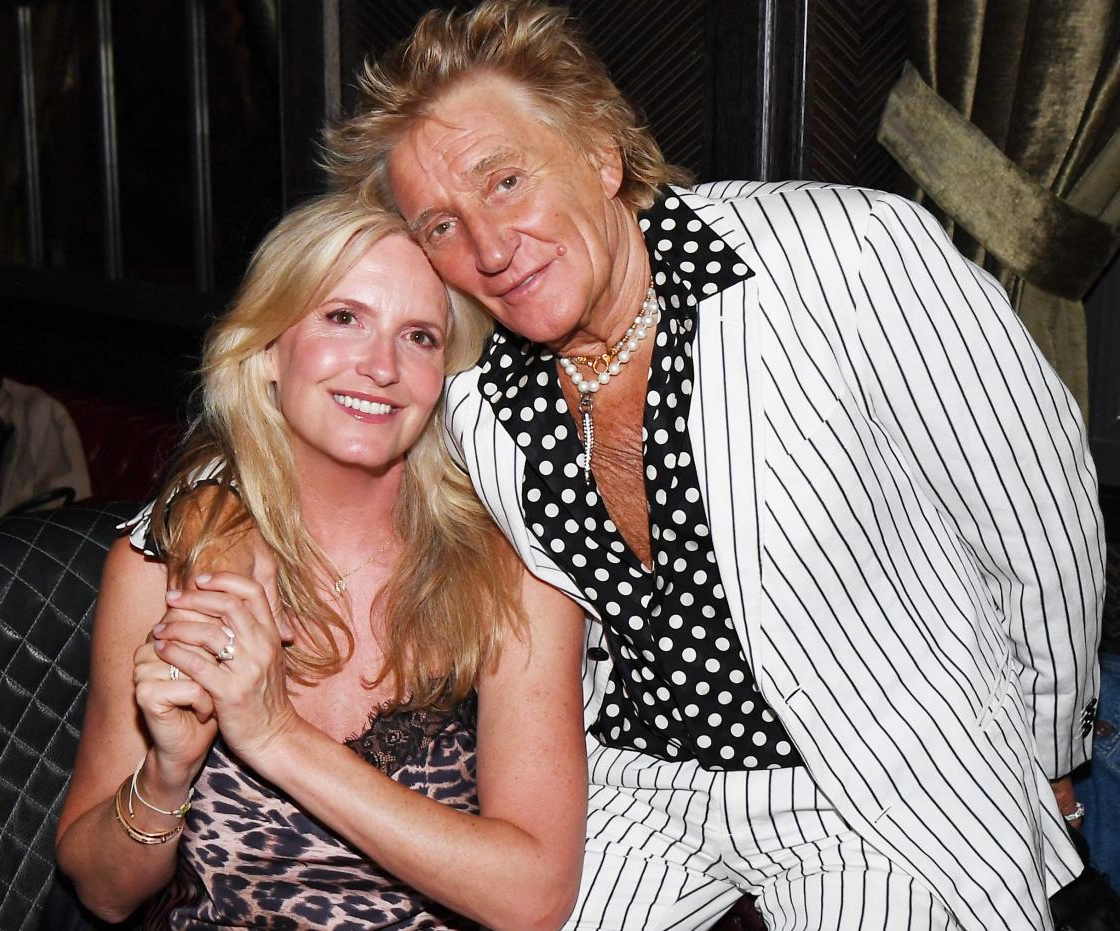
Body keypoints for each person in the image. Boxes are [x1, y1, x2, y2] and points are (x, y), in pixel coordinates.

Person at [321, 2, 1107, 929]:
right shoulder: (473, 390)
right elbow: (323, 446)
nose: (489, 248)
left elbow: (1039, 521)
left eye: (505, 182)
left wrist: (1051, 757)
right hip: (638, 778)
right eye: (442, 225)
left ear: (602, 156)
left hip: (868, 778)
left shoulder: (845, 255)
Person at [55, 193, 587, 931]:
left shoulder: (513, 572)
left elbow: (533, 897)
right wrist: (166, 772)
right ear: (270, 348)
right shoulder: (167, 567)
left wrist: (276, 734)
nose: (381, 366)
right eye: (344, 318)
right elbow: (103, 891)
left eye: (420, 337)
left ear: (446, 376)